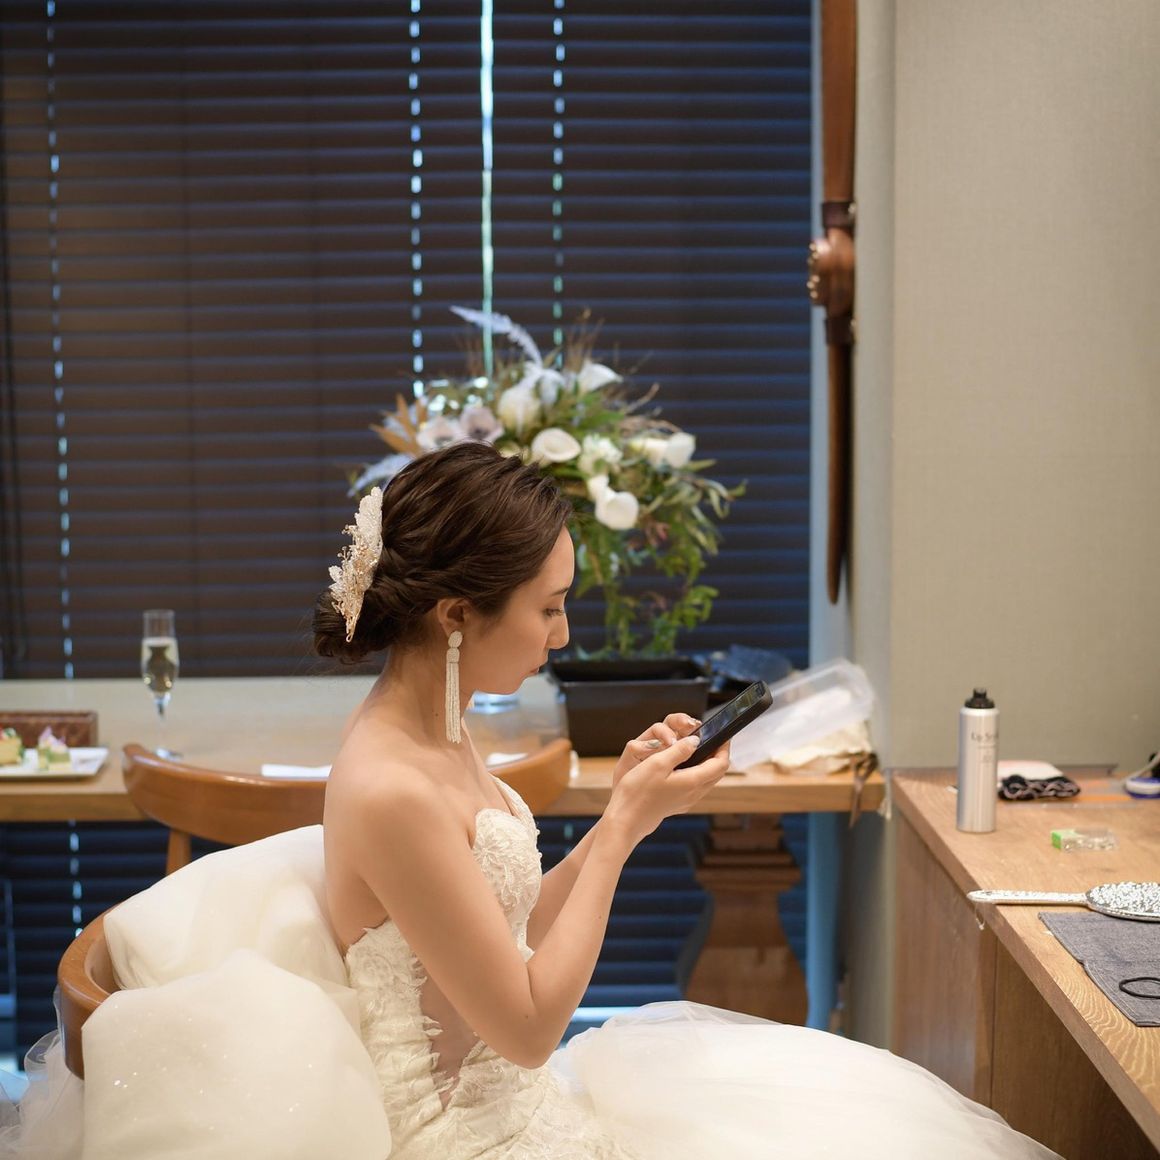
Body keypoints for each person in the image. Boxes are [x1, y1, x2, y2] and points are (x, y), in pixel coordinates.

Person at [311, 442, 1061, 1160]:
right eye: (548, 609)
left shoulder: (438, 726)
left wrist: (630, 813)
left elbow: (508, 929)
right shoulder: (393, 788)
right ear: (455, 614)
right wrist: (618, 831)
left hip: (521, 1106)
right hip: (469, 1140)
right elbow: (530, 1030)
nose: (562, 635)